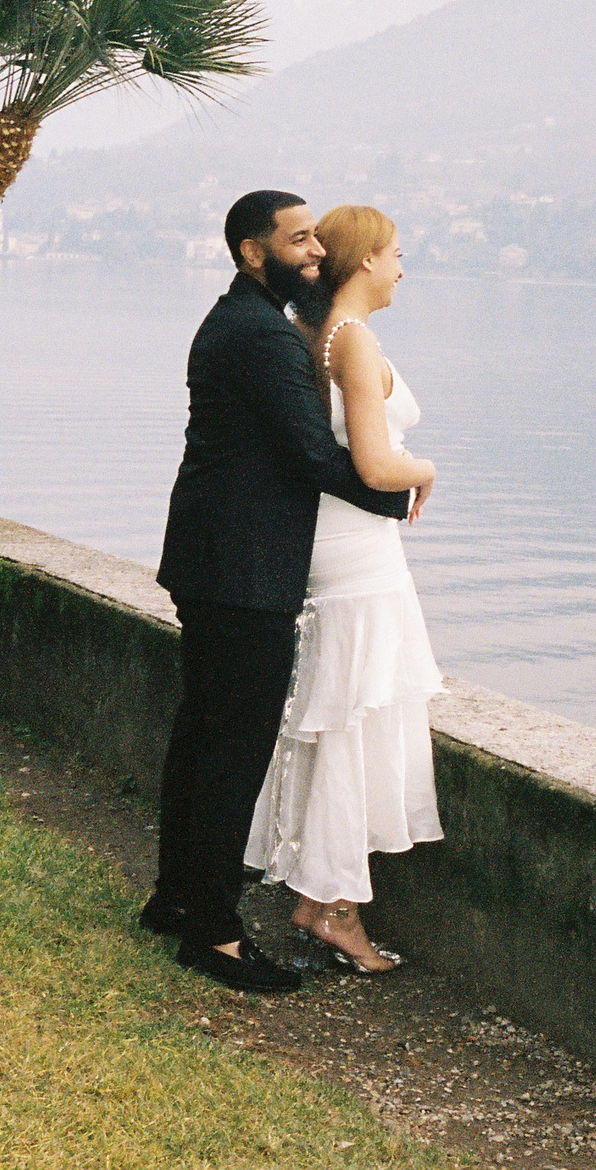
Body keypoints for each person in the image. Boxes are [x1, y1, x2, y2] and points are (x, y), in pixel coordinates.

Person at [142, 190, 417, 993]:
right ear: (249, 251)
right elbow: (312, 454)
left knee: (199, 738)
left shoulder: (248, 321)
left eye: (316, 241)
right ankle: (215, 936)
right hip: (243, 569)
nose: (315, 252)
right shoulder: (262, 335)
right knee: (232, 751)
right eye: (298, 241)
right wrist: (398, 491)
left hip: (215, 559)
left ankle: (176, 899)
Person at [246, 204, 442, 972]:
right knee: (358, 721)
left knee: (343, 717)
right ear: (364, 262)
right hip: (358, 553)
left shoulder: (322, 335)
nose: (402, 267)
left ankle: (323, 898)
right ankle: (334, 909)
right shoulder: (351, 342)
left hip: (344, 544)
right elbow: (372, 463)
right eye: (396, 253)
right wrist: (426, 469)